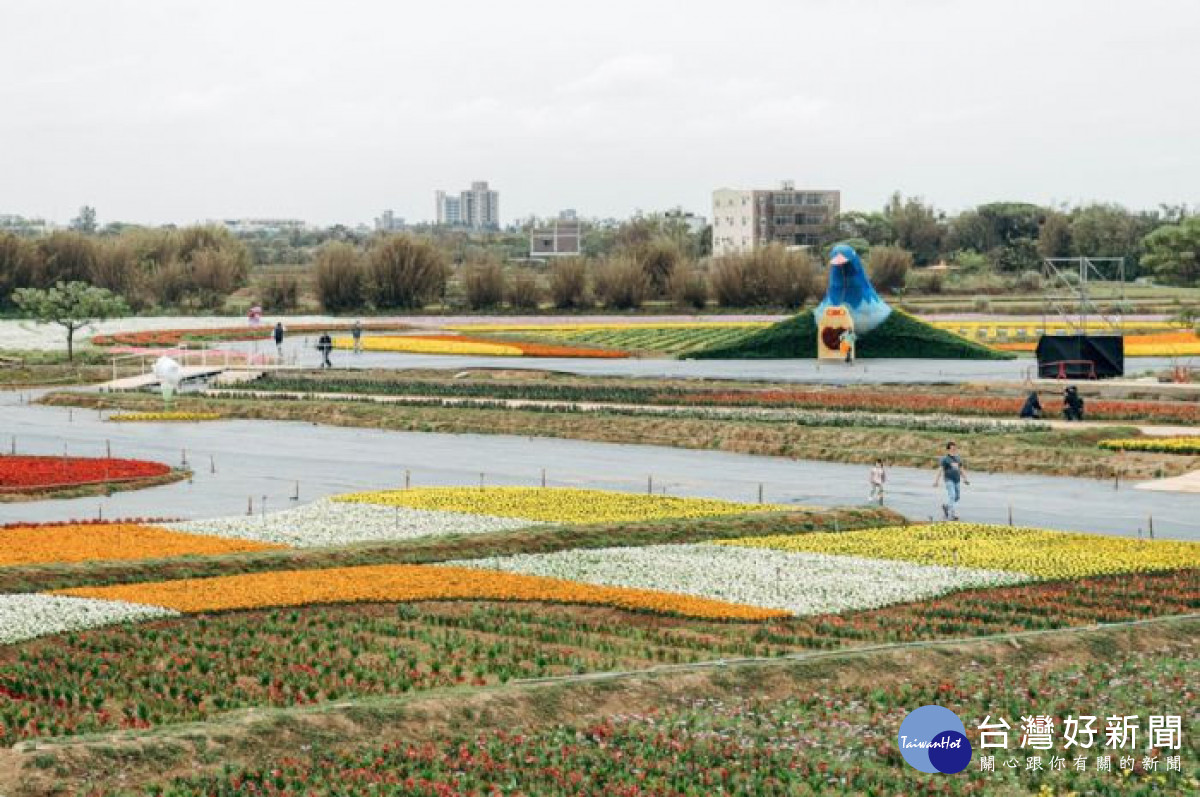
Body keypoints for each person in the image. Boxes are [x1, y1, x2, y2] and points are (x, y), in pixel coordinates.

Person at [933, 441, 969, 520]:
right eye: (952, 448)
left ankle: (946, 507)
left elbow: (961, 469)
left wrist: (965, 479)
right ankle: (951, 515)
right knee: (952, 496)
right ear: (948, 449)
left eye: (955, 448)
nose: (954, 450)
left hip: (957, 480)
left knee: (957, 497)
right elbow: (940, 470)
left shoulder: (958, 458)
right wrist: (936, 481)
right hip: (949, 479)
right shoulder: (945, 459)